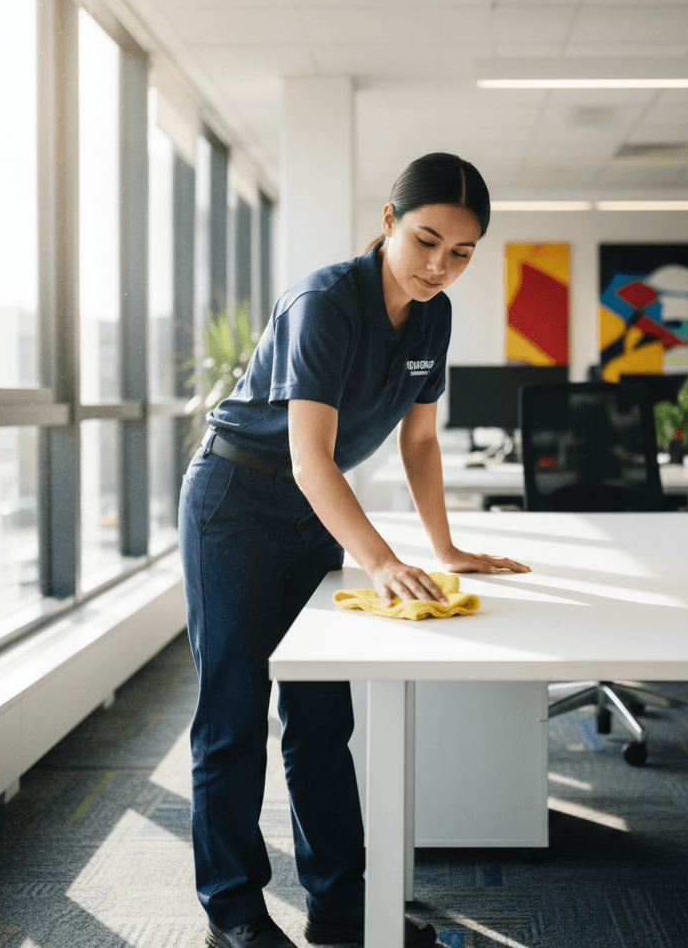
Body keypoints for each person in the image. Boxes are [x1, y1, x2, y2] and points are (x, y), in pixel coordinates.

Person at [178, 152, 530, 948]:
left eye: (462, 252)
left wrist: (445, 548)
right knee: (233, 713)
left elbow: (421, 442)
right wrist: (380, 561)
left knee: (321, 718)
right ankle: (233, 914)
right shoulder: (326, 300)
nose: (441, 266)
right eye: (427, 241)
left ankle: (344, 911)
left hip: (314, 516)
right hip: (235, 503)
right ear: (388, 222)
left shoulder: (433, 317)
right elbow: (310, 457)